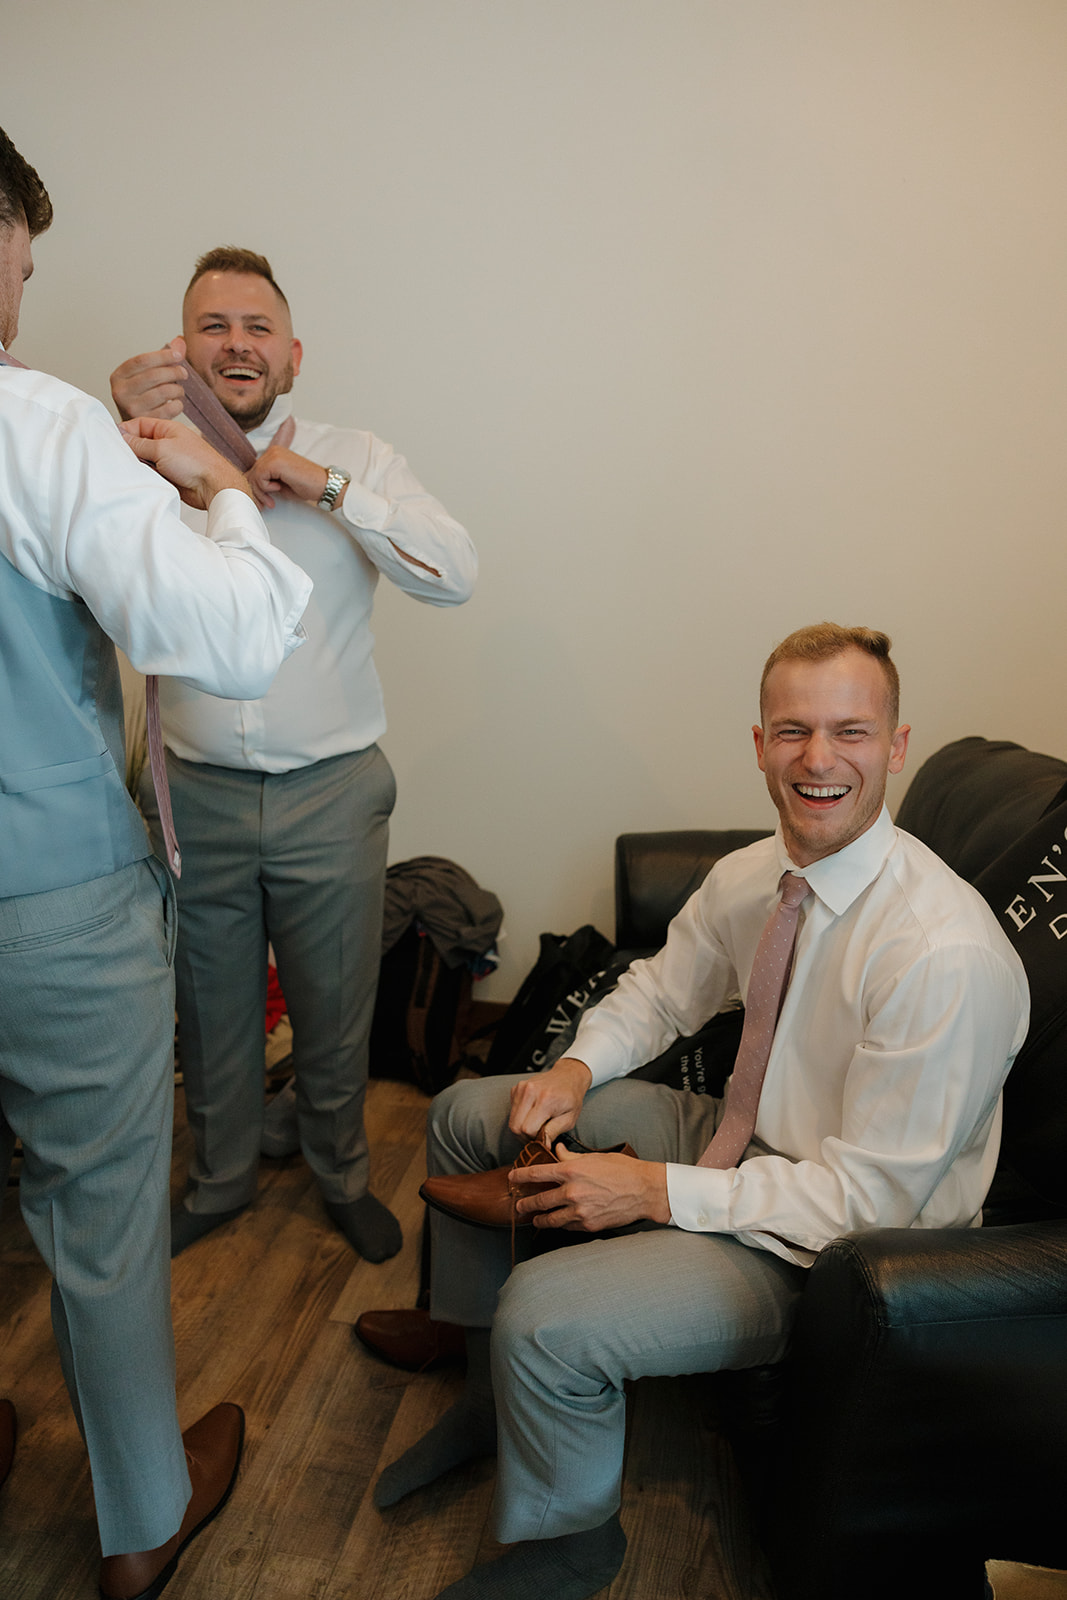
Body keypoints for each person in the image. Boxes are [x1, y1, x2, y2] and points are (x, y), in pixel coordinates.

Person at [371, 623, 1030, 1600]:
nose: (816, 758)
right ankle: (480, 1394)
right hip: (741, 1140)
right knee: (474, 1113)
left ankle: (571, 1544)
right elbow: (666, 990)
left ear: (894, 749)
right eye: (791, 730)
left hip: (841, 1251)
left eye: (848, 731)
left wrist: (646, 1189)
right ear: (758, 742)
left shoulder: (941, 957)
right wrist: (576, 1069)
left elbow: (863, 1199)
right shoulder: (760, 873)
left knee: (545, 1318)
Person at [0, 128, 312, 1600]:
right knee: (102, 1210)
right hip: (47, 899)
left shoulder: (359, 454)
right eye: (26, 257)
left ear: (291, 346)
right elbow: (239, 634)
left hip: (293, 809)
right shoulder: (43, 426)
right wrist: (218, 486)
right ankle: (139, 1523)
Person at [110, 249, 477, 1263]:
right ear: (180, 349)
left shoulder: (353, 453)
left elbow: (456, 572)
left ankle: (342, 1174)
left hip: (331, 791)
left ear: (293, 353)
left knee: (332, 1005)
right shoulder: (141, 454)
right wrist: (115, 427)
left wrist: (332, 489)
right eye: (213, 326)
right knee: (209, 1006)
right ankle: (220, 1177)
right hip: (195, 794)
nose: (236, 343)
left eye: (256, 326)